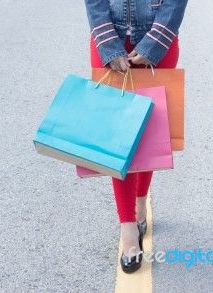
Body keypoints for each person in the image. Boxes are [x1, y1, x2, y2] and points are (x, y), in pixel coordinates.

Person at [84, 0, 188, 273]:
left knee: (149, 130)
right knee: (118, 138)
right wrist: (108, 44)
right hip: (108, 36)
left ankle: (140, 200)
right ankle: (128, 227)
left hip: (159, 38)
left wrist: (152, 44)